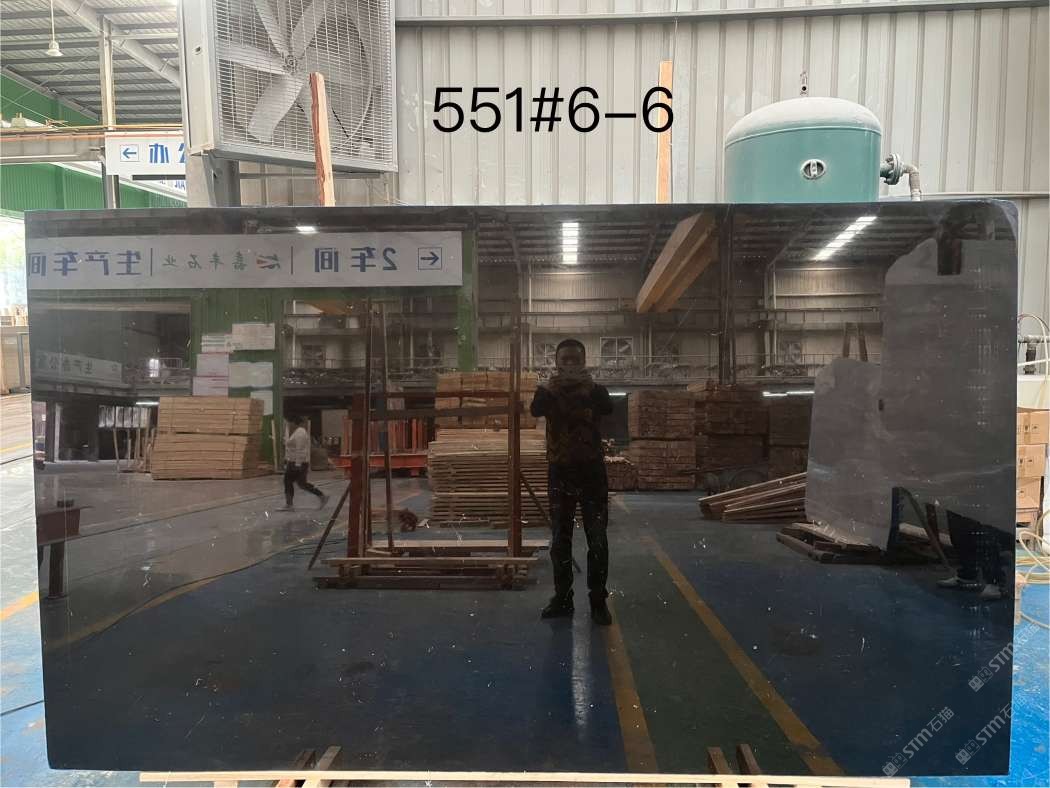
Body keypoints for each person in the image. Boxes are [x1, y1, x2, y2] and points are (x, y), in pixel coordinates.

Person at [530, 339, 614, 625]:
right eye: (564, 359)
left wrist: (589, 389)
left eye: (575, 359)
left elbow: (608, 407)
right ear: (556, 362)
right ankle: (562, 598)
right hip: (560, 472)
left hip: (592, 473)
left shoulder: (596, 390)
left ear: (583, 361)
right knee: (560, 540)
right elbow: (535, 409)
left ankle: (598, 600)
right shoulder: (547, 391)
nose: (569, 364)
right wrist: (551, 389)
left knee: (597, 539)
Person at [279, 415, 328, 512]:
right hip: (294, 461)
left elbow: (300, 449)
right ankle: (321, 496)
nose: (288, 425)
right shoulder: (295, 432)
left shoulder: (300, 433)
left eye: (289, 423)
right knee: (301, 483)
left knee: (289, 481)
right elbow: (291, 447)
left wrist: (297, 464)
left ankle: (289, 504)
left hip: (297, 462)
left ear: (293, 423)